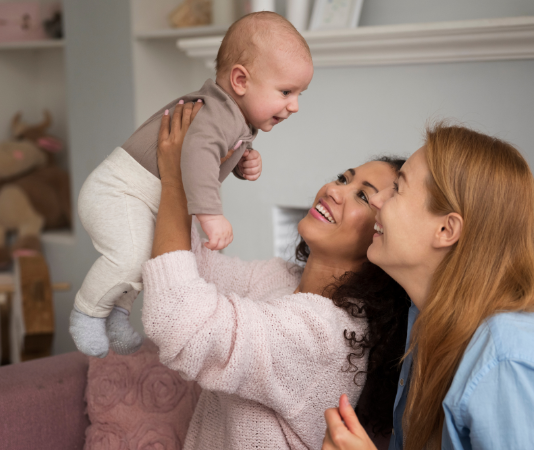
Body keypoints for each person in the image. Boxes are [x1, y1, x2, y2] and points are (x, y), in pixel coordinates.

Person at [140, 101, 410, 449]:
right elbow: (195, 272)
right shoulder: (284, 278)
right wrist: (200, 173)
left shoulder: (326, 335)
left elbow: (176, 317)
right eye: (344, 177)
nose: (333, 189)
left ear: (382, 233)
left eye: (361, 195)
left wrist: (176, 182)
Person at [322, 124, 534, 449]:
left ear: (446, 229)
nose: (378, 201)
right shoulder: (424, 318)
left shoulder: (507, 359)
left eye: (397, 188)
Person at [69, 11, 314, 358]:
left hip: (143, 197)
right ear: (241, 81)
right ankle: (87, 312)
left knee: (146, 259)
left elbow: (211, 153)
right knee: (128, 256)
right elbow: (197, 155)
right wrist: (210, 214)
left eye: (300, 93)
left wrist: (243, 162)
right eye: (287, 91)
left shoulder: (237, 120)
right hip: (119, 190)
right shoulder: (216, 112)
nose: (295, 106)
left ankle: (117, 316)